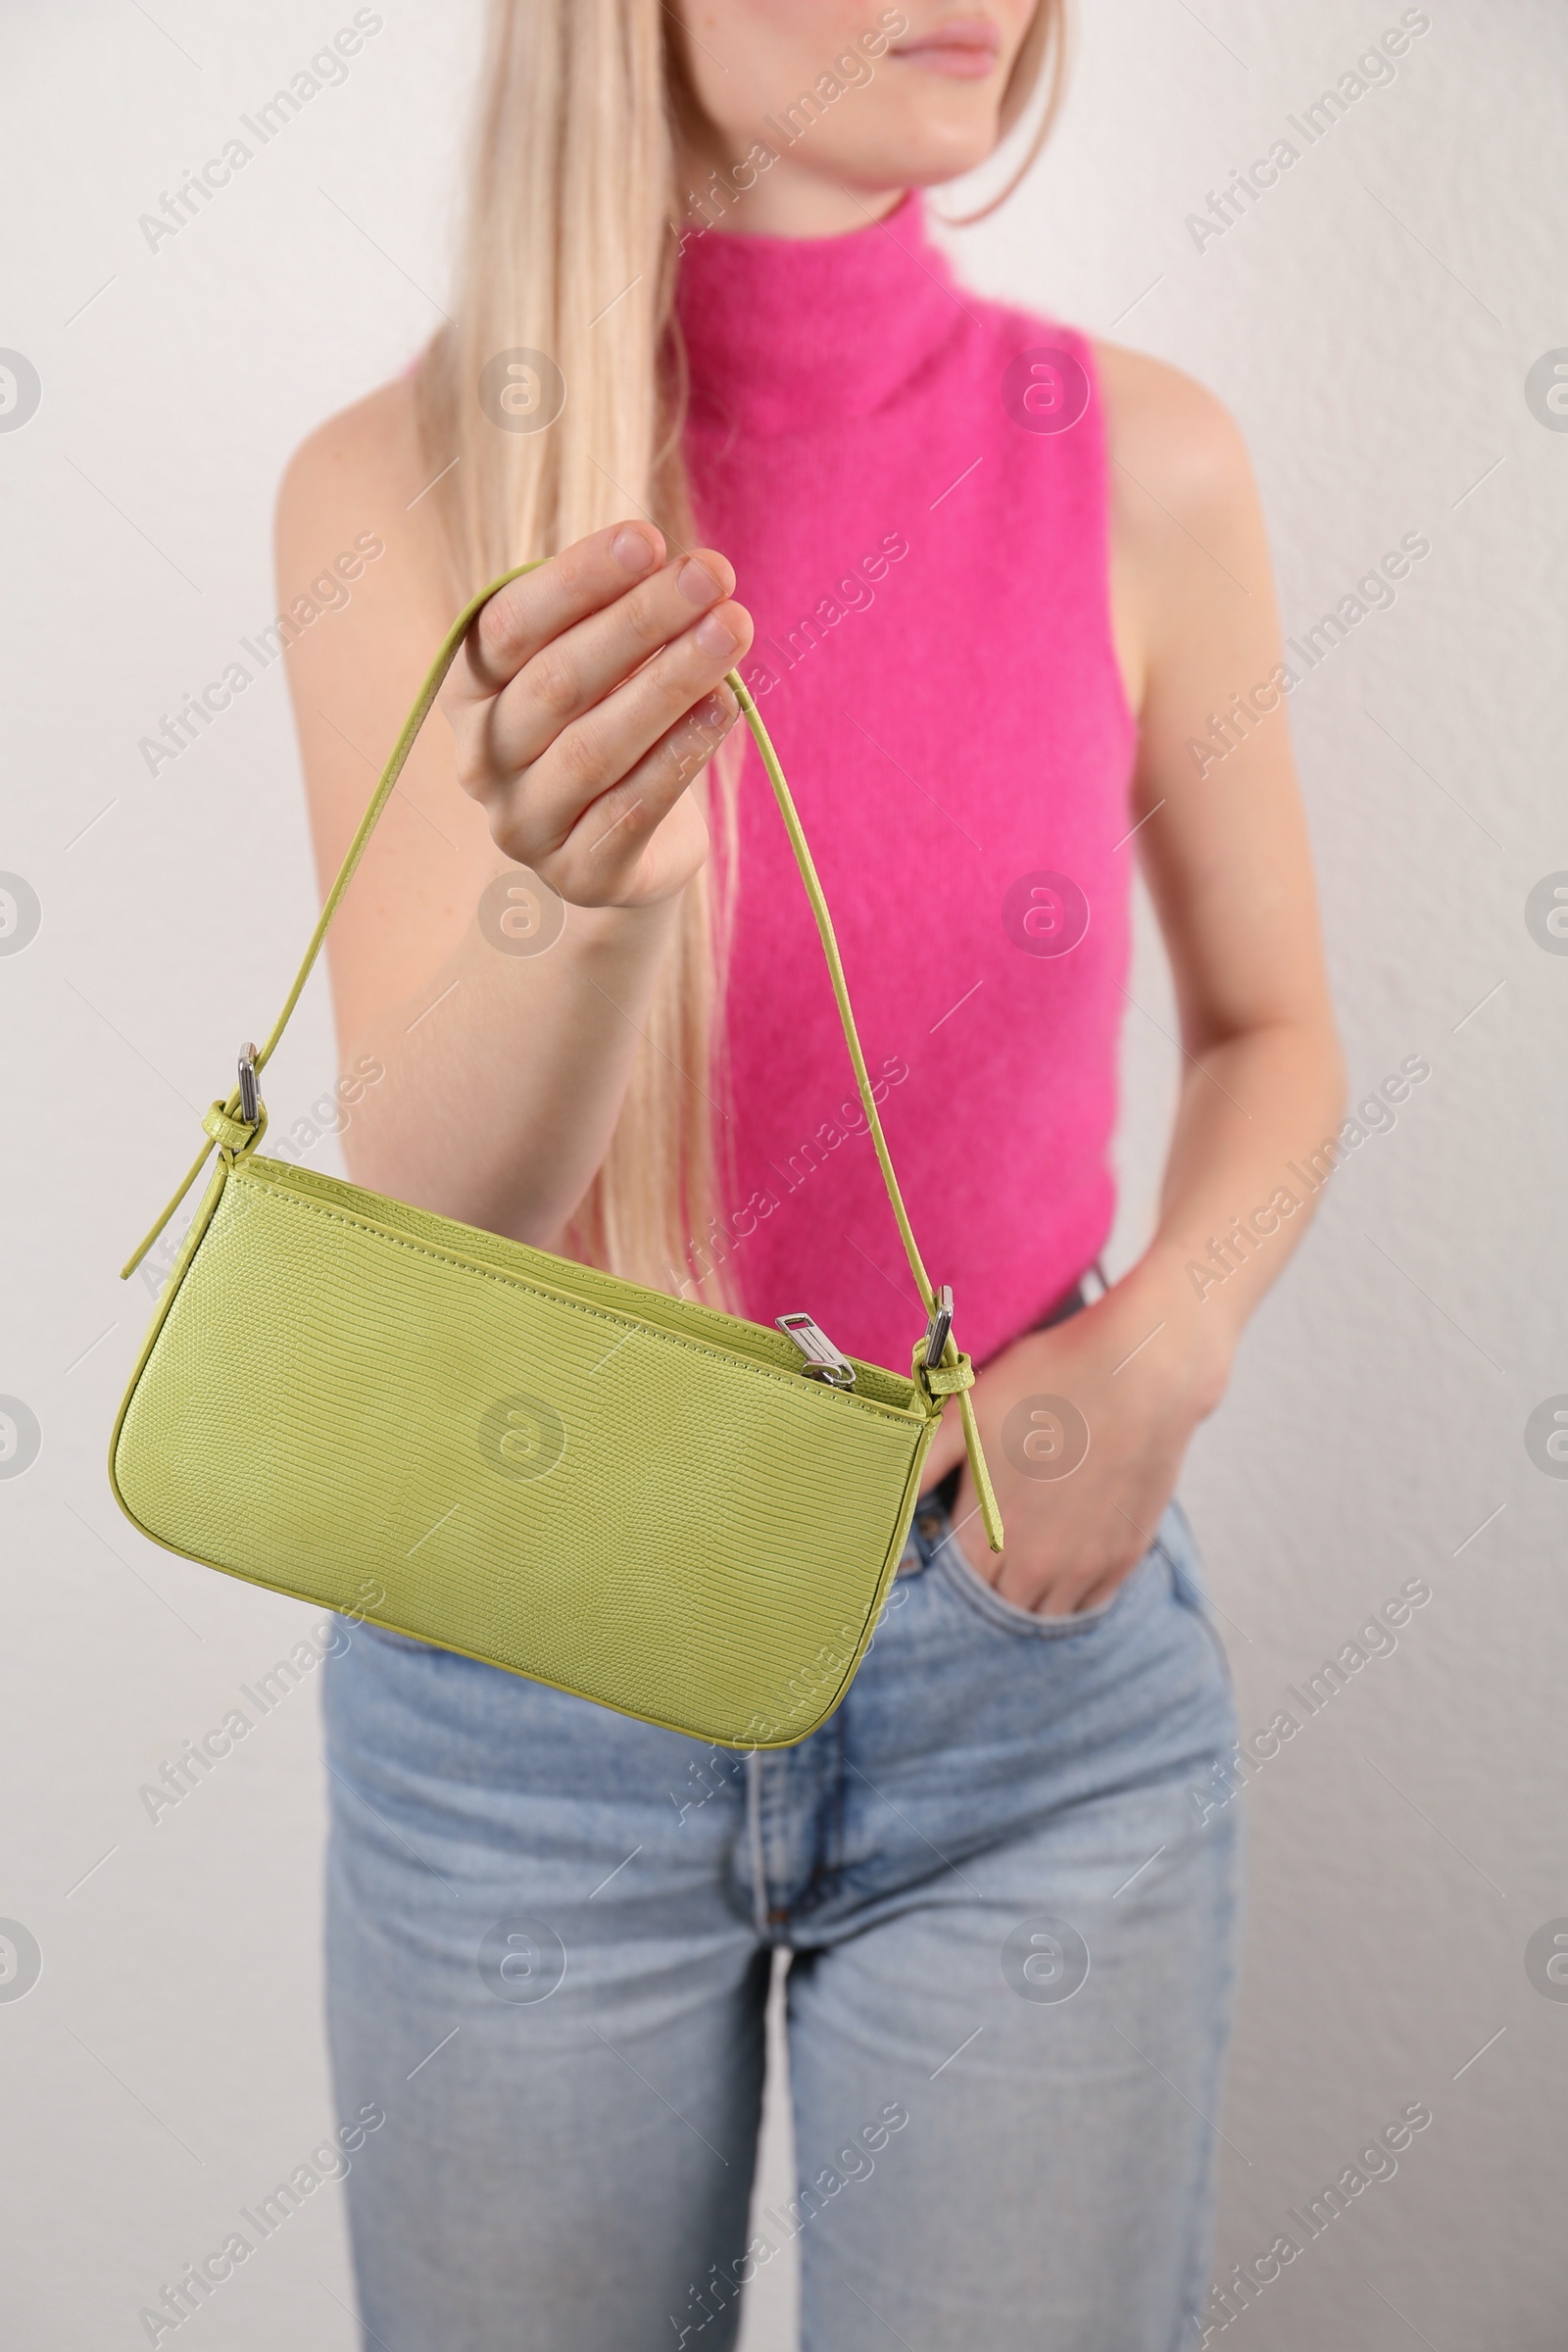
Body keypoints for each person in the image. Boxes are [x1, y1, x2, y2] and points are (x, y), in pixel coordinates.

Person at [275, 5, 1344, 2345]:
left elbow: (1277, 1040)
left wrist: (1154, 1349)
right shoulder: (398, 489)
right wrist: (591, 898)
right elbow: (432, 1212)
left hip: (1018, 1693)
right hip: (517, 1708)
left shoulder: (1138, 458)